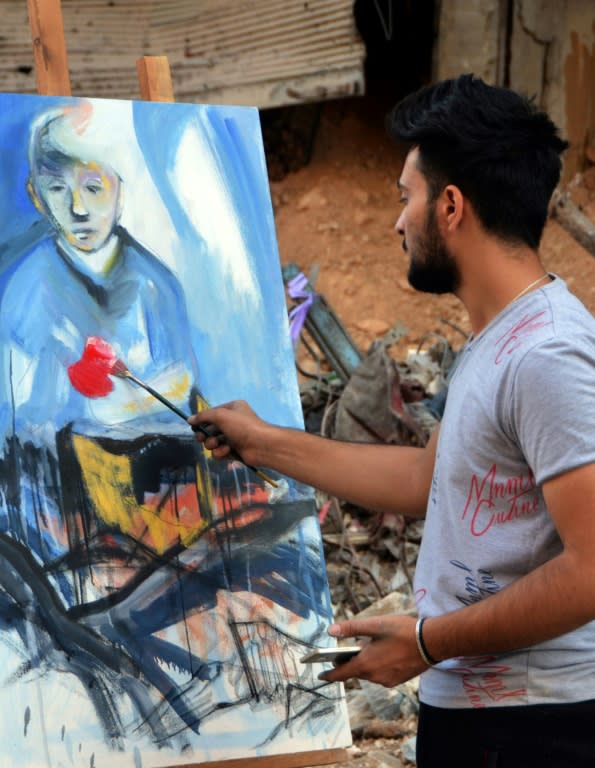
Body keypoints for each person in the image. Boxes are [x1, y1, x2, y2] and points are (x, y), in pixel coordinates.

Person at [189, 73, 595, 767]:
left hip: (535, 727)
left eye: (403, 197)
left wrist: (428, 640)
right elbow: (422, 477)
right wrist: (264, 444)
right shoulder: (499, 337)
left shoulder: (547, 352)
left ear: (449, 206)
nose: (395, 222)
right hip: (483, 713)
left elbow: (591, 568)